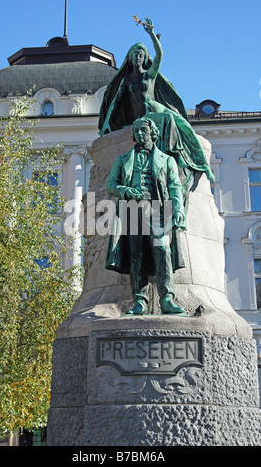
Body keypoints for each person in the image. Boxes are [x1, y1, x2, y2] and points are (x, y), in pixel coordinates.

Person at [98, 17, 214, 186]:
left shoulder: (148, 74)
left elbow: (160, 55)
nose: (137, 57)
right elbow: (115, 101)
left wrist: (152, 35)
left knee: (185, 126)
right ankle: (176, 154)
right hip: (144, 116)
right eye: (134, 55)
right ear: (129, 58)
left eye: (140, 54)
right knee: (169, 120)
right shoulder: (127, 80)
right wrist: (107, 123)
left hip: (156, 108)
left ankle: (204, 165)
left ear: (144, 57)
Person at [105, 116, 185, 315]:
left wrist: (177, 210)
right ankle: (139, 300)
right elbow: (110, 185)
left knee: (163, 250)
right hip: (132, 209)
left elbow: (175, 187)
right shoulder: (123, 159)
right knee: (136, 255)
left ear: (153, 133)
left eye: (144, 130)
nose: (140, 134)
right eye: (137, 131)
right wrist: (124, 190)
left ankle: (166, 298)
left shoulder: (167, 160)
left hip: (158, 208)